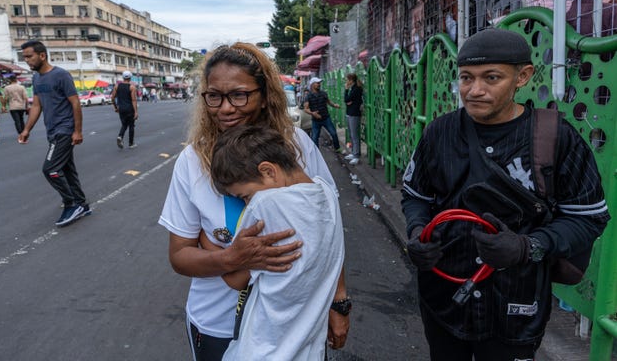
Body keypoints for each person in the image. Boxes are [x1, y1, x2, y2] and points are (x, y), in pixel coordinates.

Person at [401, 28, 610, 361]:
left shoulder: (556, 138)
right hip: (443, 298)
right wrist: (416, 234)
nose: (474, 90)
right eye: (466, 78)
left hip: (516, 305)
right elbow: (416, 196)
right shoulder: (439, 132)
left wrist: (527, 246)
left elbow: (588, 218)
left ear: (522, 77)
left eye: (492, 77)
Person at [158, 43, 350, 361]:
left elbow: (328, 229)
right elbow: (180, 256)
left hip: (296, 326)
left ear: (264, 96)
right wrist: (231, 257)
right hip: (217, 326)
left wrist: (339, 302)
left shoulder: (297, 147)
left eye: (239, 95)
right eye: (214, 96)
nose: (225, 108)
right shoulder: (192, 161)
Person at [201, 125, 345, 360]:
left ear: (268, 171)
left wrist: (204, 239)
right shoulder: (327, 193)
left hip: (262, 350)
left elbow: (236, 278)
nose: (247, 204)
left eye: (244, 196)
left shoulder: (265, 206)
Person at [18, 40, 91, 227]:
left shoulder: (61, 75)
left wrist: (77, 131)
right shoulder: (36, 79)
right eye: (24, 57)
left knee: (50, 169)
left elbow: (75, 103)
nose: (26, 60)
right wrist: (26, 130)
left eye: (29, 56)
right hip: (52, 130)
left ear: (42, 55)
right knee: (66, 169)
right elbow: (36, 105)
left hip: (64, 130)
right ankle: (82, 204)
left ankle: (71, 204)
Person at [303, 77, 342, 152]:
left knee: (333, 133)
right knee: (314, 137)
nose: (319, 84)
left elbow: (329, 102)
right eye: (317, 83)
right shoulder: (308, 96)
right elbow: (305, 108)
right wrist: (312, 113)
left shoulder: (323, 93)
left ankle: (337, 148)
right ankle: (316, 152)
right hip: (316, 120)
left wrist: (334, 105)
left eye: (319, 83)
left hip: (326, 118)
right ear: (312, 84)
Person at [111, 70, 138, 149]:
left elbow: (112, 98)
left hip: (121, 109)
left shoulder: (117, 86)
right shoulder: (132, 87)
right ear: (130, 78)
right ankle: (131, 143)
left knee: (124, 124)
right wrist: (136, 112)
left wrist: (116, 107)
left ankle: (120, 136)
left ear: (123, 77)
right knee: (131, 126)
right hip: (129, 109)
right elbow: (133, 100)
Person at [343, 73, 363, 165]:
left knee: (355, 135)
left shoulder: (356, 89)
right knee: (351, 134)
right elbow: (348, 101)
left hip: (354, 114)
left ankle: (356, 155)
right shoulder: (353, 88)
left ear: (351, 80)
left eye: (347, 80)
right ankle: (353, 152)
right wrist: (349, 100)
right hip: (350, 113)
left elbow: (346, 100)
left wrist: (346, 90)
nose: (346, 82)